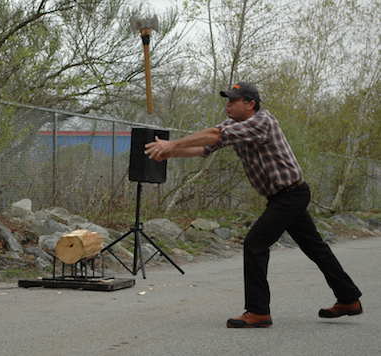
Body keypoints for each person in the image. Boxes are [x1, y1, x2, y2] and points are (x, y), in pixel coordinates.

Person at [145, 82, 363, 328]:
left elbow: (215, 135)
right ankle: (348, 298)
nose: (227, 105)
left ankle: (258, 312)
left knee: (255, 244)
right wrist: (170, 154)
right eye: (227, 100)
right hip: (282, 197)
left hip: (291, 194)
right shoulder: (233, 125)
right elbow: (205, 147)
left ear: (250, 104)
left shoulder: (262, 122)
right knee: (315, 248)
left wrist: (172, 144)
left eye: (233, 101)